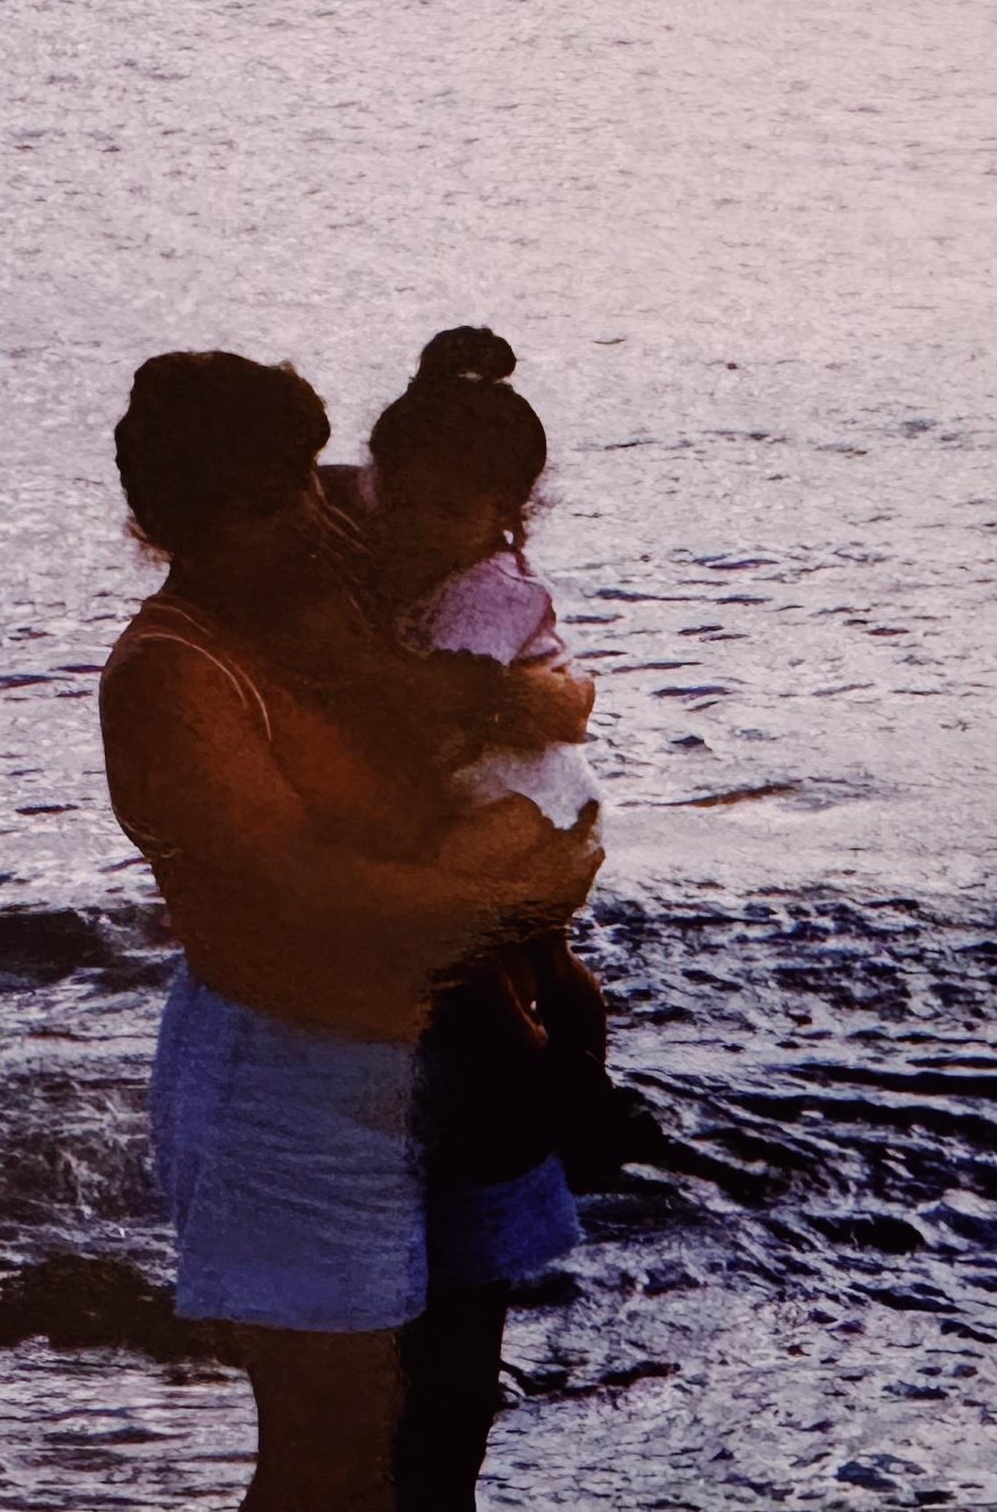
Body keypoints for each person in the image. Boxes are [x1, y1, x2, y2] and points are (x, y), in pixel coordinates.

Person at [96, 351, 601, 1512]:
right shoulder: (170, 674)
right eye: (251, 514)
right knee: (334, 1453)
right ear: (158, 526)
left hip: (456, 1047)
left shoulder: (331, 515)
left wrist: (535, 700)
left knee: (450, 1412)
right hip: (297, 1075)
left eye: (295, 491)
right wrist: (533, 889)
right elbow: (306, 892)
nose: (299, 527)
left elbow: (528, 623)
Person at [348, 328, 616, 1511]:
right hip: (504, 779)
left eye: (449, 507)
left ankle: (573, 1077)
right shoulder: (376, 534)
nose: (414, 520)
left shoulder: (489, 589)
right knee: (510, 943)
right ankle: (568, 1075)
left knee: (503, 927)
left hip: (509, 786)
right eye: (395, 496)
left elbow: (445, 707)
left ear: (509, 513)